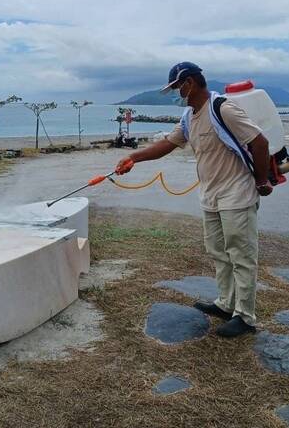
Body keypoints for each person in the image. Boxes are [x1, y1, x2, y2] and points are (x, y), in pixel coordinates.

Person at [115, 61, 272, 338]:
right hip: (211, 196)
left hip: (236, 194)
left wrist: (261, 181)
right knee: (218, 252)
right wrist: (133, 157)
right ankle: (226, 303)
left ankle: (245, 317)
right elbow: (168, 144)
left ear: (189, 82)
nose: (177, 93)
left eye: (177, 87)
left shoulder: (222, 108)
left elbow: (260, 143)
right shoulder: (190, 116)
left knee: (242, 255)